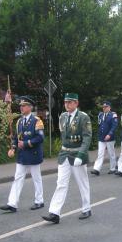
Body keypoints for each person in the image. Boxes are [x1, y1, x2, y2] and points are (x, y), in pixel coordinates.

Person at [43, 93, 92, 224]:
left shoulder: (83, 117)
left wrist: (81, 155)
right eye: (66, 102)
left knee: (82, 183)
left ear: (76, 103)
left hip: (77, 155)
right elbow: (63, 135)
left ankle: (86, 208)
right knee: (61, 183)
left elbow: (87, 138)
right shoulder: (63, 117)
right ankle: (54, 213)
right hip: (64, 155)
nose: (67, 105)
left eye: (70, 102)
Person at [0, 96, 45, 213]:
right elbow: (16, 137)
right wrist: (13, 148)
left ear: (30, 107)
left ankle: (39, 201)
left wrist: (25, 143)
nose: (21, 108)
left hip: (33, 154)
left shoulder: (37, 120)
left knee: (36, 178)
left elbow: (40, 138)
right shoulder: (19, 121)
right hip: (22, 155)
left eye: (23, 106)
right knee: (18, 178)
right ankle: (12, 203)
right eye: (20, 106)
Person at [91, 101, 118, 176]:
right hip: (101, 137)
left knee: (111, 153)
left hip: (110, 137)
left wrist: (109, 134)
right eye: (103, 107)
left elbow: (114, 126)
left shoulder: (113, 115)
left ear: (109, 107)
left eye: (106, 107)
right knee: (100, 153)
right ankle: (96, 169)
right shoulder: (100, 115)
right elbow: (100, 125)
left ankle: (113, 168)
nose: (104, 108)